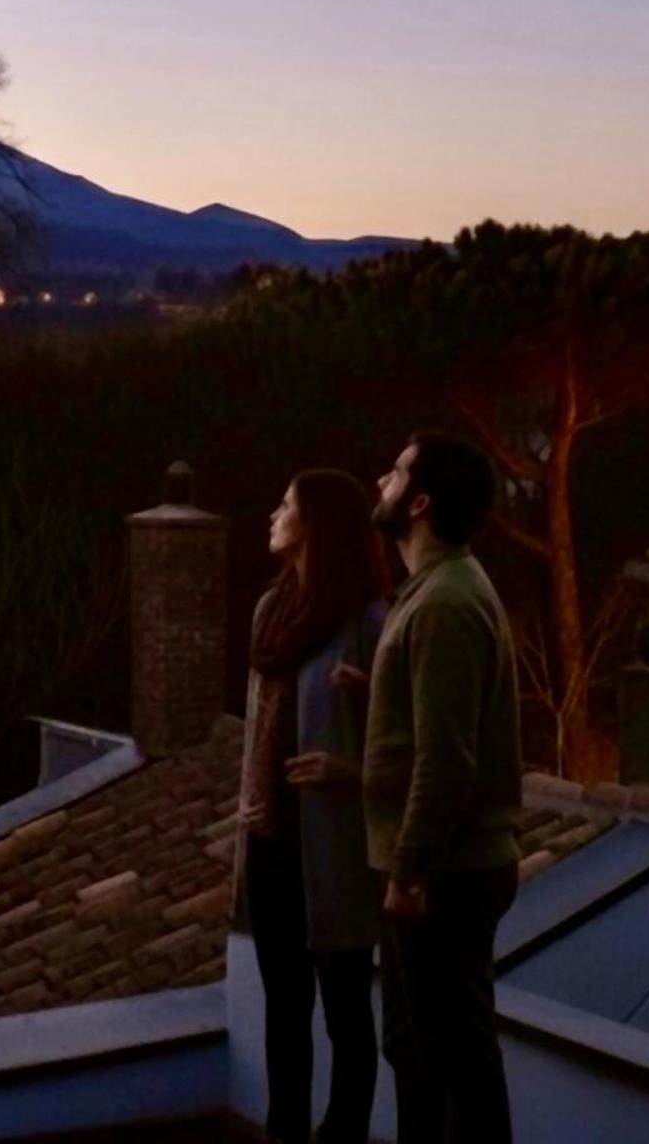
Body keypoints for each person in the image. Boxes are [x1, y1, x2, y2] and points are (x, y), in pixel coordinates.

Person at [363, 431, 524, 1144]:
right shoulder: (437, 592)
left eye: (395, 471)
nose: (381, 479)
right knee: (421, 1052)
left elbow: (447, 759)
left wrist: (409, 871)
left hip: (446, 875)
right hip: (441, 870)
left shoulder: (444, 605)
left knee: (447, 1064)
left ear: (419, 502)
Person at [239, 469, 390, 1144]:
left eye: (286, 504)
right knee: (284, 1008)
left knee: (347, 1015)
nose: (273, 513)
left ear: (316, 526)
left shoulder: (369, 625)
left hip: (336, 853)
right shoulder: (271, 613)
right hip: (272, 843)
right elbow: (258, 724)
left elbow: (409, 751)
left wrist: (347, 771)